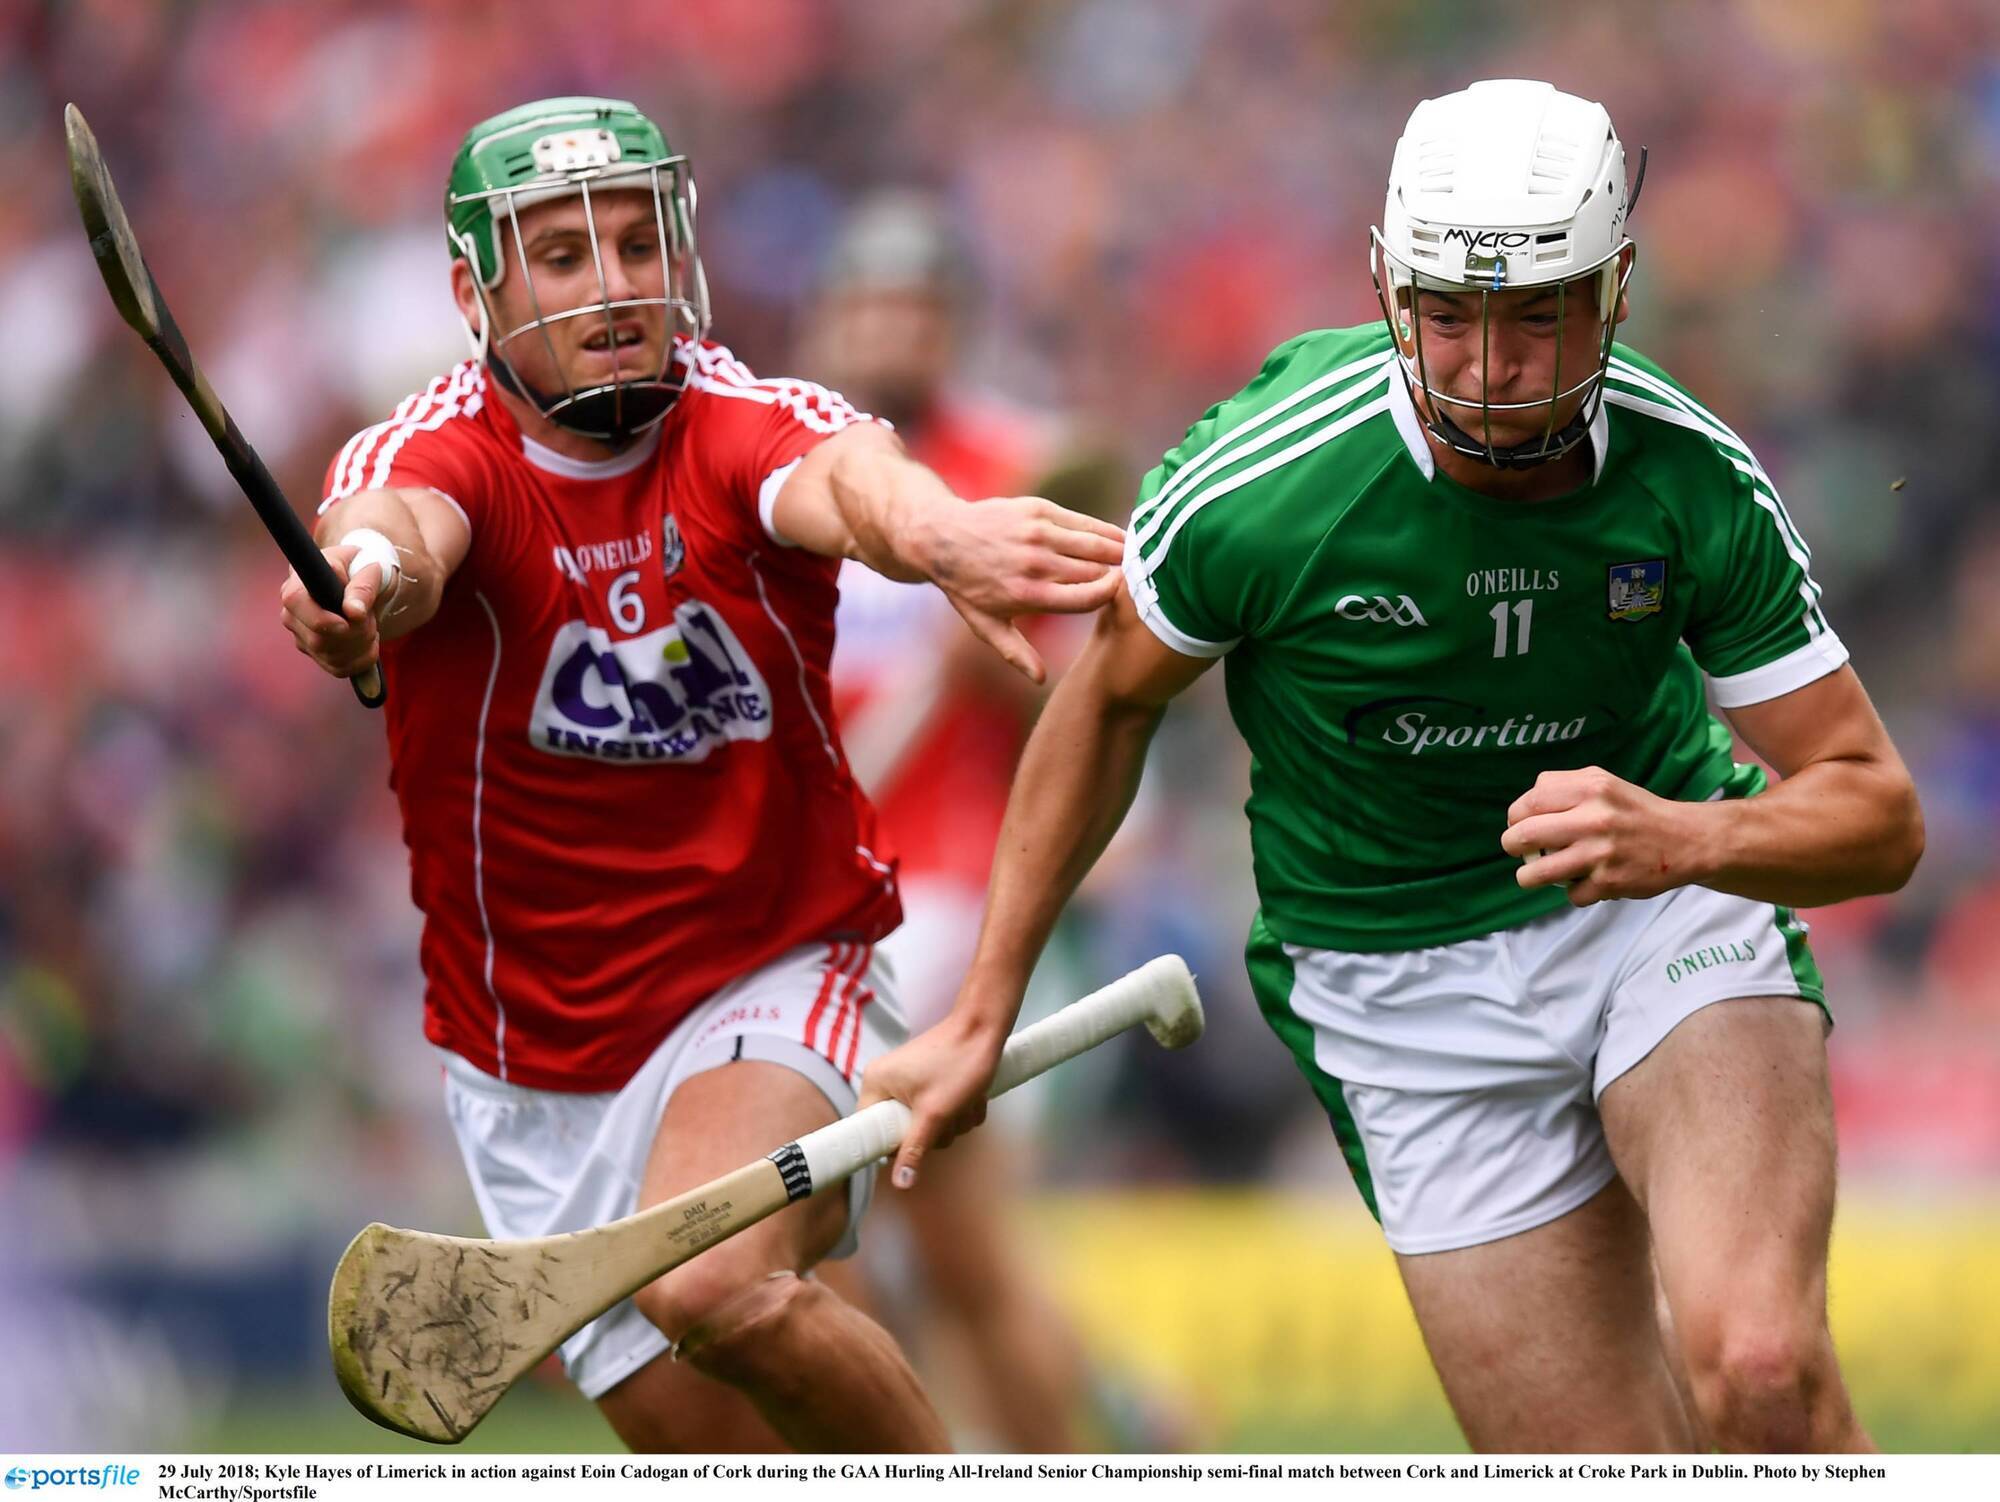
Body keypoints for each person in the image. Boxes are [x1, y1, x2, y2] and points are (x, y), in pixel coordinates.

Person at [863, 79, 1924, 1454]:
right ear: (1387, 290)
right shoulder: (1261, 482)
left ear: (1612, 293)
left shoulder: (1690, 477)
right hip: (1393, 977)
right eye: (1448, 313)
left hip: (1661, 914)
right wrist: (982, 1010)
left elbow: (1876, 812)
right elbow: (1106, 704)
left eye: (1535, 314)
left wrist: (1686, 838)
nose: (1489, 363)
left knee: (1762, 1367)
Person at [279, 96, 1123, 1453]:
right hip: (528, 1062)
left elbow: (855, 481)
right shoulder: (435, 452)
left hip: (770, 966)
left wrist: (943, 536)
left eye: (635, 243)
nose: (614, 287)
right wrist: (362, 585)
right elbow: (396, 533)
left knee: (716, 1286)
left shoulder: (740, 417)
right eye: (563, 257)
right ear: (474, 295)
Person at [802, 193, 1102, 1451]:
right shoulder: (798, 471)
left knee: (931, 1246)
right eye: (872, 305)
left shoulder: (1009, 470)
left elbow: (1090, 710)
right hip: (814, 898)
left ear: (952, 324)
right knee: (886, 1253)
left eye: (917, 308)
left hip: (946, 898)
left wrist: (1000, 670)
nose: (893, 330)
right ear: (835, 318)